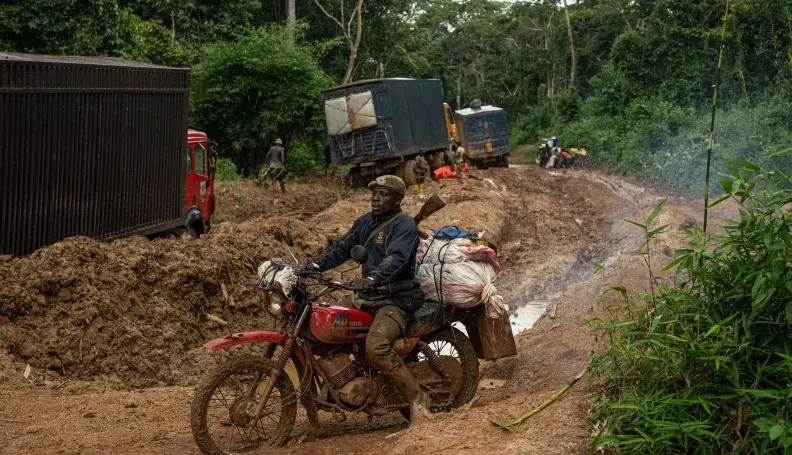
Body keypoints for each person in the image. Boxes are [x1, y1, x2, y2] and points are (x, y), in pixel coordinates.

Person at [311, 175, 431, 424]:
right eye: (374, 193)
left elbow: (396, 259)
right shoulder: (364, 222)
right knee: (325, 325)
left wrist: (373, 278)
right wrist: (313, 265)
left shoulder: (405, 226)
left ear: (398, 200)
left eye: (384, 194)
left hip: (395, 299)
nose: (376, 198)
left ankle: (418, 400)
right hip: (366, 297)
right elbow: (341, 248)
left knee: (376, 346)